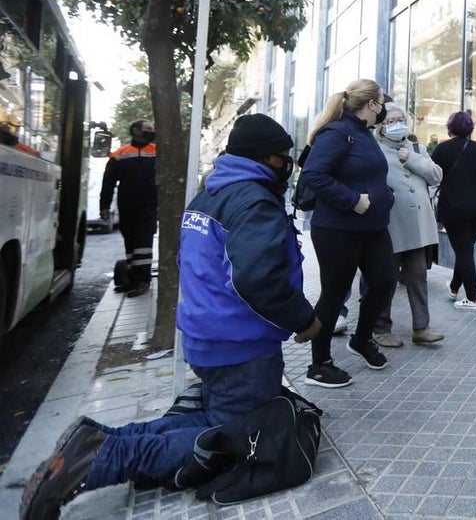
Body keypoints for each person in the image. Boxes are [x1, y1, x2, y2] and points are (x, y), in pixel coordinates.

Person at [21, 114, 321, 520]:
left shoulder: (211, 193)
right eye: (283, 157)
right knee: (234, 434)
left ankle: (101, 439)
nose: (287, 164)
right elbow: (257, 278)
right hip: (241, 345)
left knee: (215, 415)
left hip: (209, 336)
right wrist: (304, 319)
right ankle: (107, 457)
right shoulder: (252, 200)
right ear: (266, 158)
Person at [301, 79, 396, 388]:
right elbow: (314, 174)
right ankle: (319, 364)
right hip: (337, 230)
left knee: (384, 282)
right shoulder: (338, 132)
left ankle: (361, 339)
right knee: (333, 294)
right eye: (382, 102)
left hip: (373, 228)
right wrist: (352, 200)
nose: (383, 108)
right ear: (371, 104)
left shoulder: (364, 135)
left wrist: (386, 196)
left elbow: (372, 176)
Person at [374, 104, 445, 347]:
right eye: (391, 121)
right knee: (386, 280)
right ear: (381, 127)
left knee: (418, 277)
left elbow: (436, 176)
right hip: (390, 226)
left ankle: (421, 327)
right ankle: (380, 328)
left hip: (417, 227)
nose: (397, 124)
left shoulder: (416, 148)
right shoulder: (374, 150)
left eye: (400, 119)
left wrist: (413, 159)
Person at [431, 111, 476, 311]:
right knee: (465, 249)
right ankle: (453, 288)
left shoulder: (441, 150)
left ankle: (472, 298)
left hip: (455, 209)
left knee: (463, 251)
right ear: (470, 128)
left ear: (449, 127)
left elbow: (431, 176)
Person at [100, 119, 158, 297]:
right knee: (131, 244)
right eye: (147, 129)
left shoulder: (157, 152)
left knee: (143, 243)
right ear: (136, 131)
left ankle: (143, 281)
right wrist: (104, 206)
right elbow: (108, 183)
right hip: (126, 206)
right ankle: (133, 279)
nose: (151, 131)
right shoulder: (119, 154)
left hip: (148, 205)